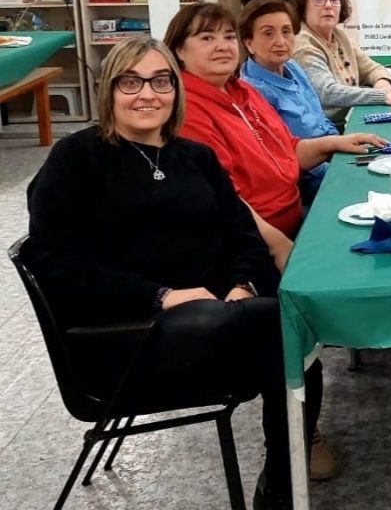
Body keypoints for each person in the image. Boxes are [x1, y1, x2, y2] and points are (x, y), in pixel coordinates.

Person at [24, 37, 321, 509]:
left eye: (160, 81)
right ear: (109, 89)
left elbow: (242, 235)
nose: (147, 93)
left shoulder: (195, 157)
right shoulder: (76, 159)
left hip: (213, 322)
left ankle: (280, 487)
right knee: (284, 328)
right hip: (125, 338)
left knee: (292, 340)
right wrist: (160, 295)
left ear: (175, 90)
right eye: (131, 82)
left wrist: (242, 284)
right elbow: (55, 263)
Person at [163, 2, 386, 482]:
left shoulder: (243, 91)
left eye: (227, 36)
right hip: (250, 243)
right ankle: (296, 438)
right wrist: (279, 244)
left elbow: (288, 154)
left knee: (377, 228)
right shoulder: (189, 111)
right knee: (289, 338)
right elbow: (226, 201)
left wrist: (335, 143)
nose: (222, 46)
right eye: (206, 38)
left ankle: (375, 330)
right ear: (179, 51)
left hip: (291, 217)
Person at [239, 0, 339, 204]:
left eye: (286, 31)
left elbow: (320, 118)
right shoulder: (252, 92)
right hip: (308, 183)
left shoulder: (292, 67)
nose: (280, 42)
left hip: (333, 157)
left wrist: (341, 149)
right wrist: (337, 165)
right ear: (249, 44)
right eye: (268, 33)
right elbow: (285, 159)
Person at [290, 0, 391, 125]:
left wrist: (382, 83)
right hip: (327, 128)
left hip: (351, 118)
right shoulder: (303, 43)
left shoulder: (340, 36)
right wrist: (382, 96)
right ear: (303, 7)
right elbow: (327, 92)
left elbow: (372, 69)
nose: (328, 5)